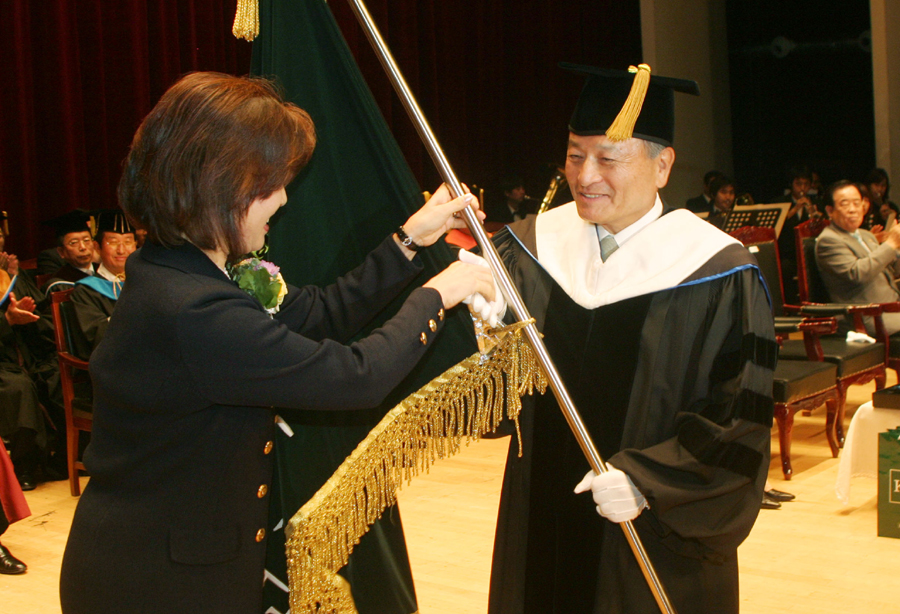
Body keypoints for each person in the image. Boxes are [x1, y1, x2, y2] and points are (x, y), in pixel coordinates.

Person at [59, 72, 496, 614]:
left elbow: (318, 313)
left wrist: (411, 240)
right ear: (219, 187)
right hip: (158, 585)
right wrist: (439, 294)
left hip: (175, 566)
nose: (284, 200)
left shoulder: (184, 268)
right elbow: (355, 377)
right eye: (270, 186)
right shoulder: (196, 309)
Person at [486, 63, 775, 614]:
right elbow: (498, 403)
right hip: (540, 519)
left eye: (608, 157)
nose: (585, 175)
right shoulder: (528, 249)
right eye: (575, 154)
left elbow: (739, 418)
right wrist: (479, 334)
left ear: (662, 166)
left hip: (654, 534)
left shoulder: (717, 271)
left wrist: (649, 482)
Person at [815, 180, 900, 336]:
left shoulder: (866, 235)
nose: (853, 210)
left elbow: (892, 268)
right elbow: (857, 273)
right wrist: (890, 245)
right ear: (830, 211)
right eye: (845, 204)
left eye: (856, 203)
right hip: (869, 316)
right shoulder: (828, 240)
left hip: (893, 307)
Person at [68, 211, 136, 359]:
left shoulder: (145, 284)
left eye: (128, 241)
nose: (121, 250)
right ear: (97, 247)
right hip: (115, 365)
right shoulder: (86, 291)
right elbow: (94, 340)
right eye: (113, 242)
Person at [775, 165, 821, 304]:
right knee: (785, 268)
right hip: (789, 253)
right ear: (791, 184)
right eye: (798, 184)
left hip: (809, 251)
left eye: (806, 184)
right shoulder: (781, 202)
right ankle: (790, 304)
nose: (802, 188)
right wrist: (795, 209)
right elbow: (777, 227)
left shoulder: (816, 202)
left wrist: (815, 215)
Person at [41, 211, 96, 290]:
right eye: (74, 243)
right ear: (61, 252)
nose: (83, 247)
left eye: (86, 240)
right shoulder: (59, 285)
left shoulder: (105, 273)